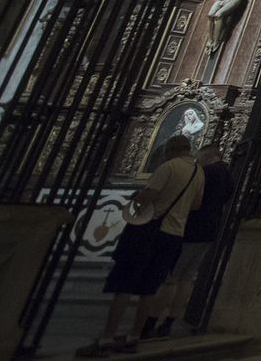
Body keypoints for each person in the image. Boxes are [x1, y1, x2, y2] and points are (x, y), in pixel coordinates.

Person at [78, 135, 206, 357]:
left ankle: (107, 338)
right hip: (174, 234)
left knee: (125, 284)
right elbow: (196, 204)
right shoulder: (199, 172)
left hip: (149, 229)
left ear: (169, 150)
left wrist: (139, 196)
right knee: (150, 287)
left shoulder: (168, 167)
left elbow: (148, 196)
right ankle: (134, 336)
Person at [148, 142, 232, 338]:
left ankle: (152, 320)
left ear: (209, 156)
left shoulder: (203, 173)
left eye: (199, 158)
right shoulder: (228, 174)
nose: (196, 162)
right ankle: (170, 321)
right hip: (210, 230)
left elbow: (194, 201)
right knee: (187, 277)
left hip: (188, 228)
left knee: (171, 278)